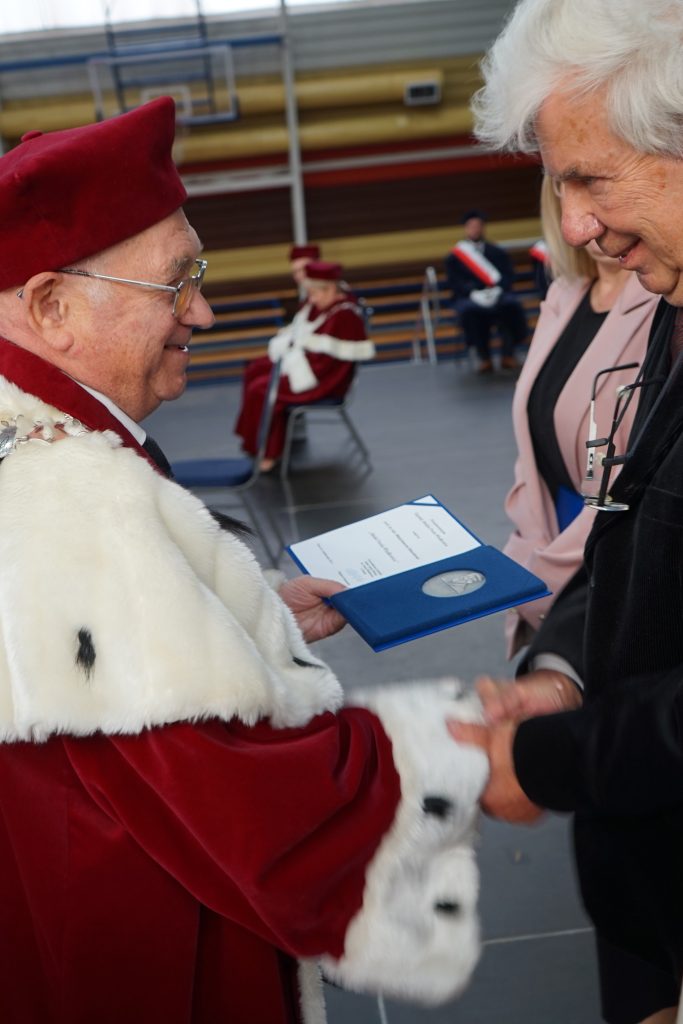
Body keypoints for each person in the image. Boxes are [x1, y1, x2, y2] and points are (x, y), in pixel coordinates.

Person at [0, 96, 490, 1024]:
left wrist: (238, 610)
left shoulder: (34, 447)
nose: (205, 311)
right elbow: (246, 807)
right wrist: (472, 753)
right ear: (53, 305)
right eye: (175, 283)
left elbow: (95, 655)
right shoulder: (68, 495)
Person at [449, 2, 683, 1022]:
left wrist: (547, 758)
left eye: (591, 177)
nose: (575, 225)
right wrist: (560, 673)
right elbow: (625, 517)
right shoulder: (674, 308)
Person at [503, 175, 659, 656]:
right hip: (542, 542)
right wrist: (525, 549)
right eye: (562, 189)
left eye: (595, 186)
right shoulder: (564, 293)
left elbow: (634, 480)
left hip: (610, 559)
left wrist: (543, 575)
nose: (579, 216)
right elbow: (531, 441)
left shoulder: (663, 302)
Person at [235, 259, 374, 471]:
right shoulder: (324, 305)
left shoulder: (345, 315)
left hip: (325, 381)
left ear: (329, 289)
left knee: (262, 389)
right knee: (255, 369)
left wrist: (289, 368)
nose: (311, 299)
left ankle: (269, 453)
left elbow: (329, 366)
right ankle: (257, 445)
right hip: (311, 368)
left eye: (315, 293)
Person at [445, 209, 529, 373]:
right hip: (471, 297)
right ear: (465, 228)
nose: (475, 229)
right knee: (469, 312)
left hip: (497, 294)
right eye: (471, 226)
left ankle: (508, 355)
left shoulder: (496, 251)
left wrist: (497, 290)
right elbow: (454, 282)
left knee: (511, 307)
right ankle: (484, 358)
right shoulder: (455, 257)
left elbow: (508, 276)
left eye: (478, 226)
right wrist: (473, 292)